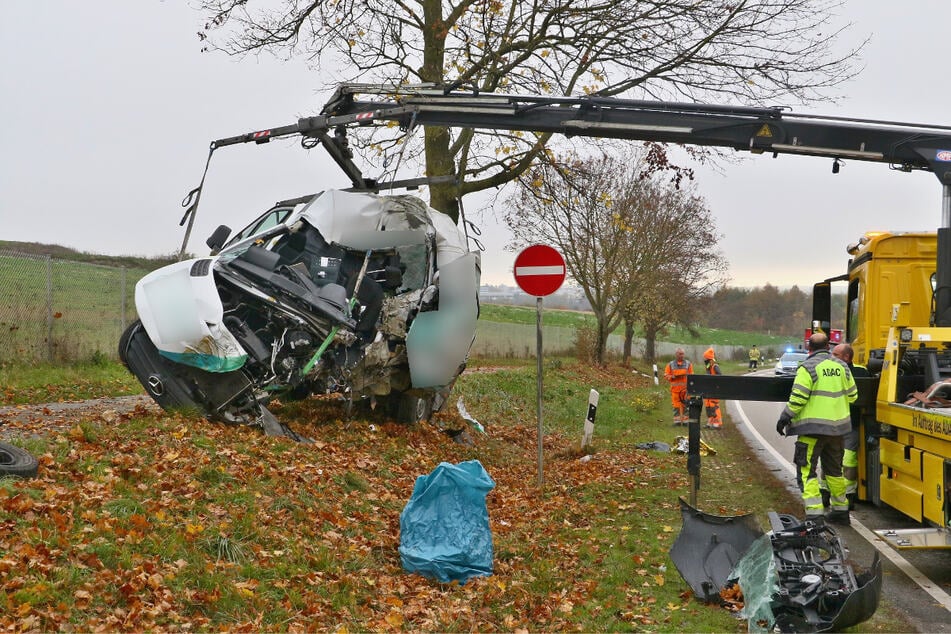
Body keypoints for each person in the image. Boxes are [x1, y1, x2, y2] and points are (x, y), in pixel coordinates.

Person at [776, 332, 857, 525]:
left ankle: (814, 515)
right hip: (838, 431)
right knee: (834, 472)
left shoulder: (807, 367)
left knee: (807, 472)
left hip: (811, 430)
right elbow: (853, 396)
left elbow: (799, 397)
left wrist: (785, 417)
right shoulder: (842, 366)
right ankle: (840, 511)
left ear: (808, 348)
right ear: (828, 347)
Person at [828, 342, 869, 510]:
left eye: (836, 355)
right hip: (833, 423)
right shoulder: (859, 372)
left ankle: (846, 496)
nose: (832, 357)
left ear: (846, 357)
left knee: (847, 461)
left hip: (847, 424)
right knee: (831, 459)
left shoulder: (859, 372)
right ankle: (828, 493)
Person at [664, 348, 693, 426]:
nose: (682, 355)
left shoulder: (688, 364)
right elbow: (666, 375)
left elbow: (692, 376)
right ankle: (677, 422)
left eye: (683, 354)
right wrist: (672, 377)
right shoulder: (670, 364)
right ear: (676, 354)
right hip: (675, 390)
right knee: (676, 407)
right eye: (680, 354)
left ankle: (686, 422)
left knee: (686, 406)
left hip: (685, 390)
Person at [702, 347, 723, 428]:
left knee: (714, 406)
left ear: (710, 359)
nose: (705, 360)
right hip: (708, 389)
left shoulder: (715, 366)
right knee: (708, 406)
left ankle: (717, 423)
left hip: (714, 390)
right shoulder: (708, 366)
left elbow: (720, 377)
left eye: (706, 358)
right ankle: (710, 422)